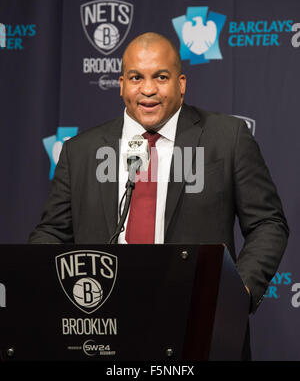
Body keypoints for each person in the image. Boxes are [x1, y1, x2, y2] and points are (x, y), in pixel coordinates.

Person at [29, 32, 289, 359]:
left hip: (199, 329)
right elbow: (51, 232)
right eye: (137, 77)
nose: (148, 90)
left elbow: (268, 223)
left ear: (181, 84)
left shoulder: (227, 139)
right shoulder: (80, 151)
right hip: (103, 332)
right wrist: (54, 290)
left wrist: (238, 294)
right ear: (121, 84)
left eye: (161, 77)